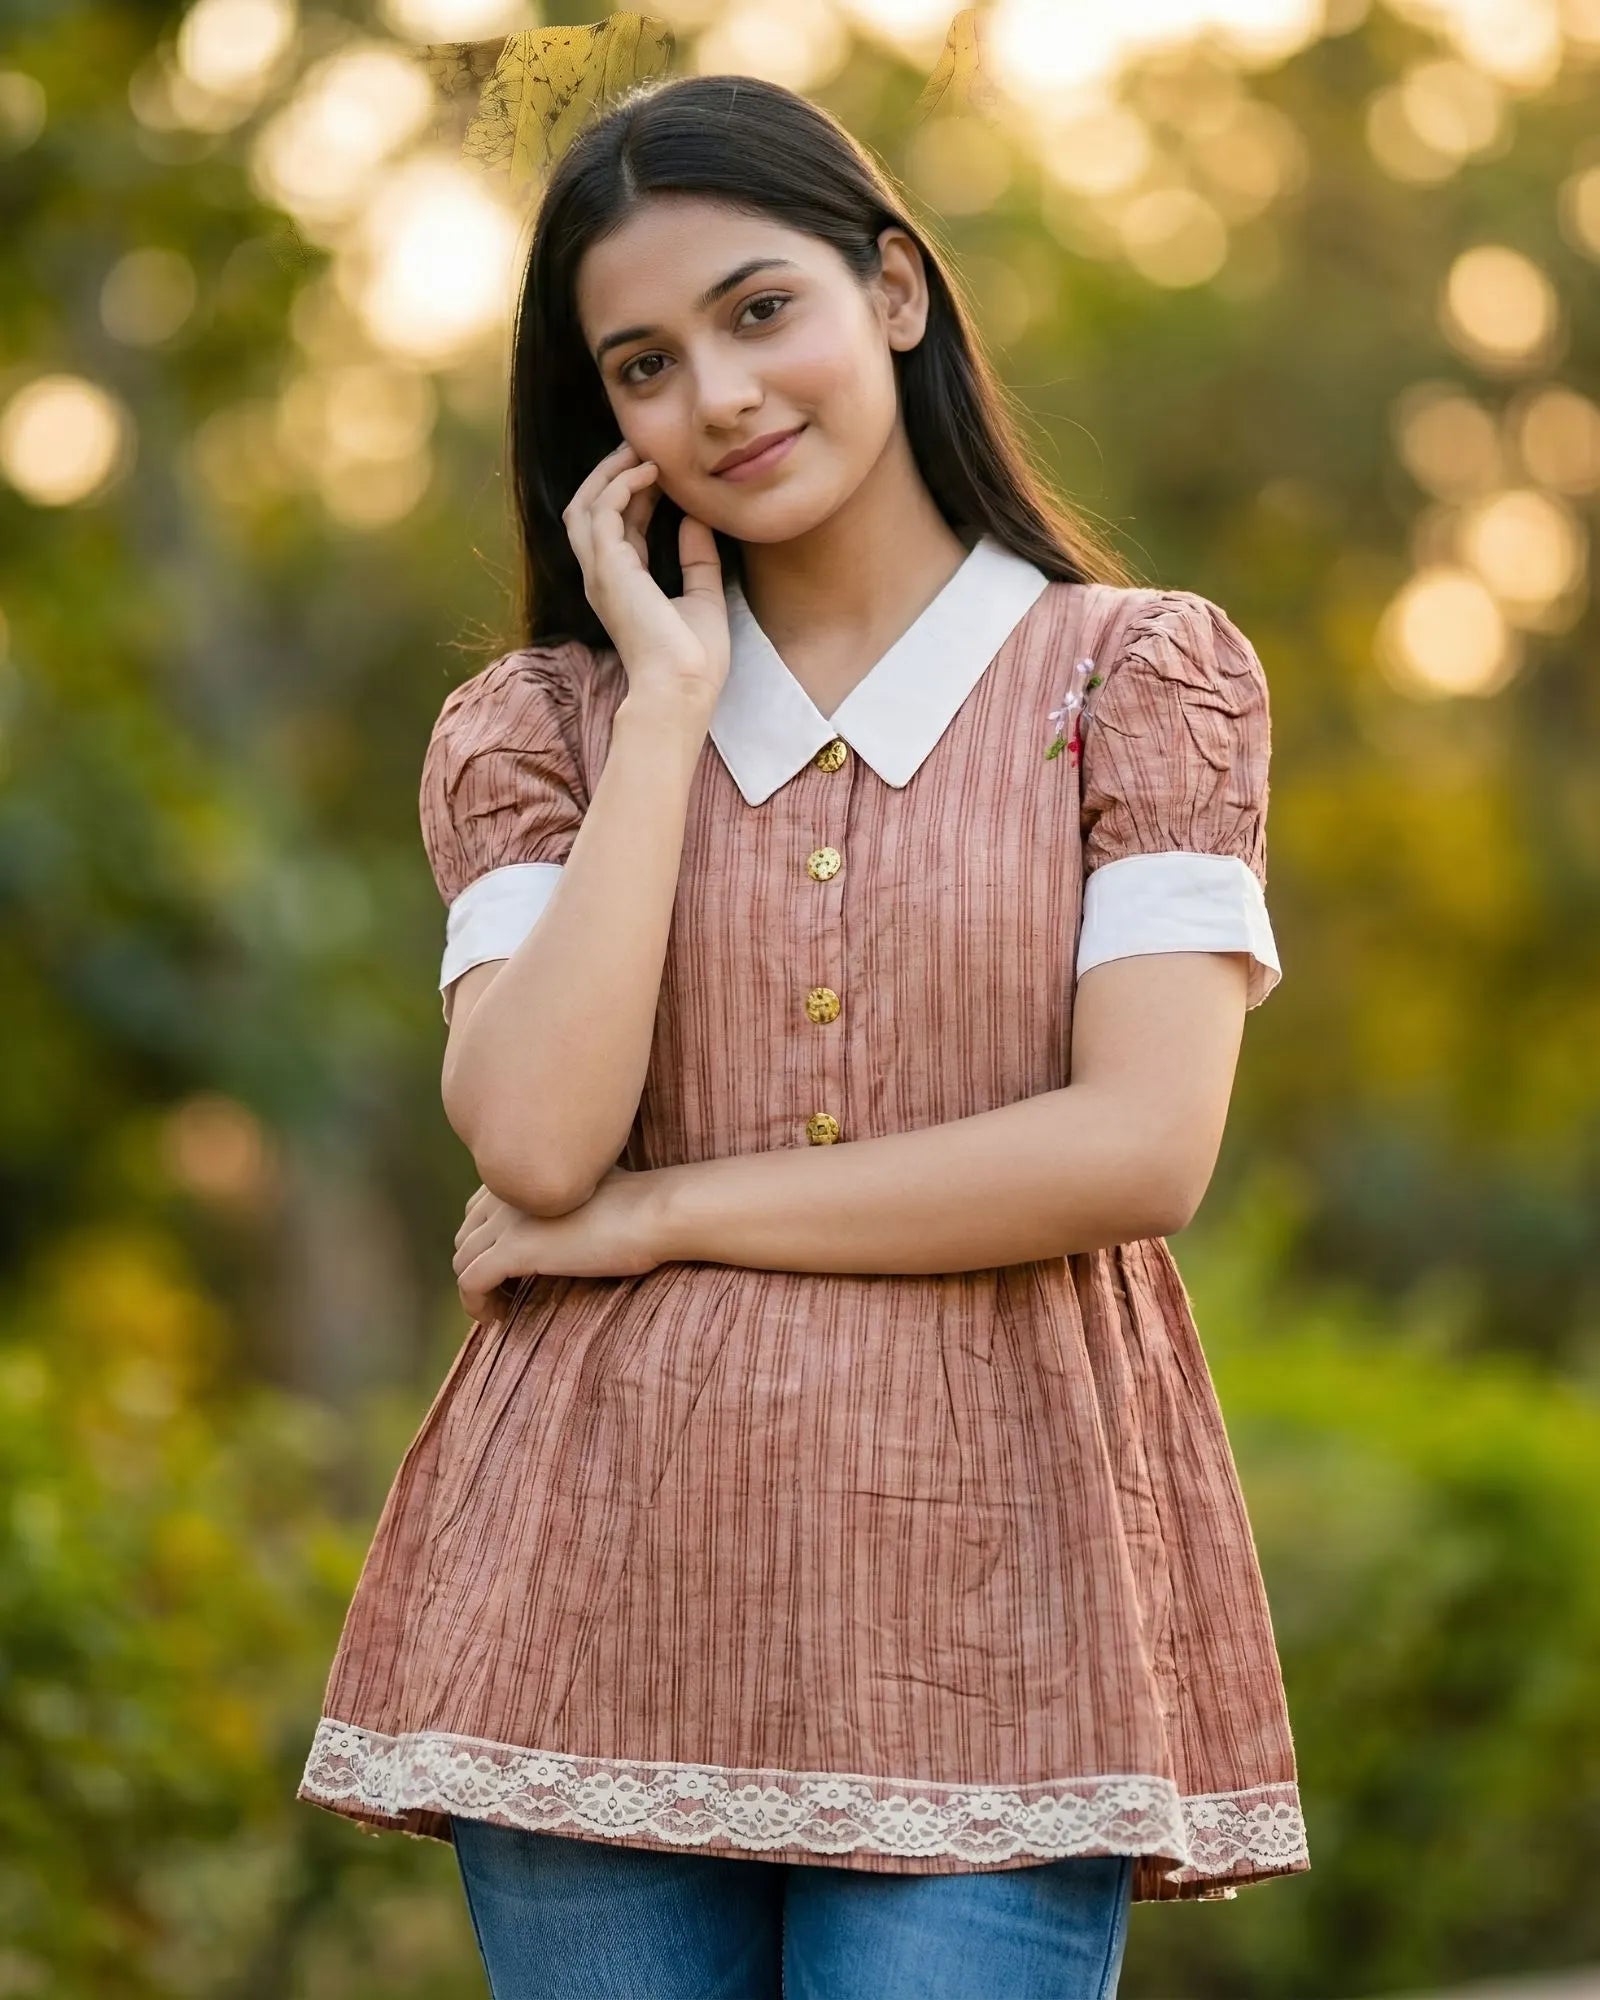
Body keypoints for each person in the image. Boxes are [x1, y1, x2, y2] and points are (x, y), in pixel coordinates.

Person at [296, 69, 1309, 2000]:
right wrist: (667, 703)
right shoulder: (545, 732)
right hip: (587, 1625)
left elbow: (1139, 1151)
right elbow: (533, 1143)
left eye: (763, 312)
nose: (723, 398)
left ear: (895, 295)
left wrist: (663, 1219)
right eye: (646, 365)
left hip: (1001, 1632)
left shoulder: (1139, 682)